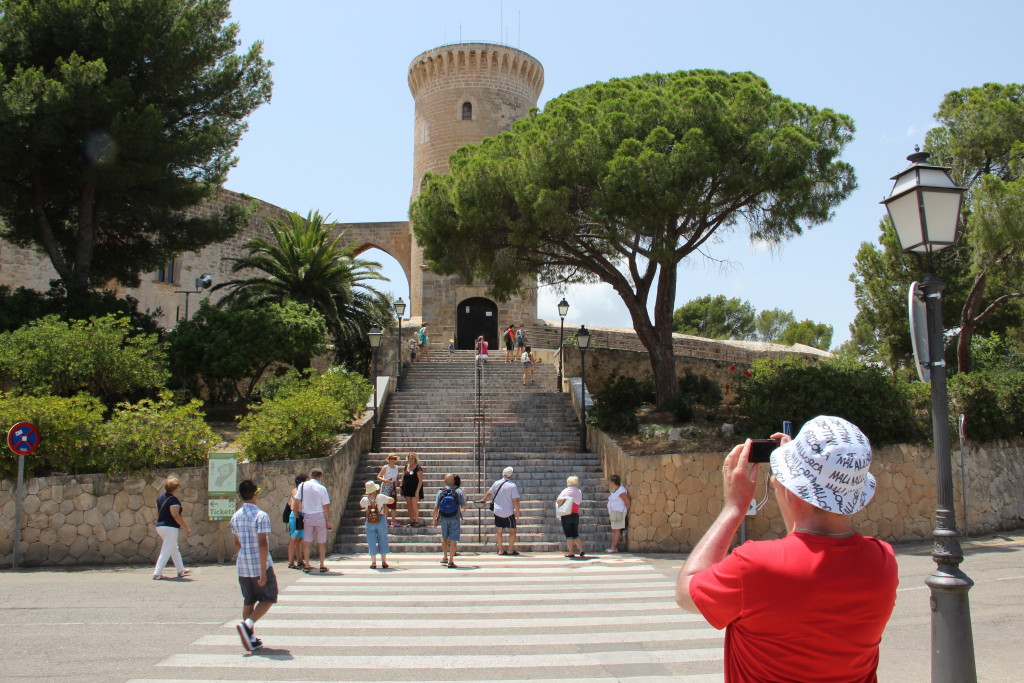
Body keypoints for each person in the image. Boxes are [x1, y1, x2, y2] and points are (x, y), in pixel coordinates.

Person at [675, 416, 899, 682]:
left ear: (790, 487)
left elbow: (686, 593)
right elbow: (809, 542)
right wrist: (790, 481)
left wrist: (734, 508)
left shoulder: (755, 565)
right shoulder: (882, 561)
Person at [230, 479, 277, 652]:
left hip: (243, 564)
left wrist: (245, 554)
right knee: (269, 597)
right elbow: (263, 543)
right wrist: (263, 570)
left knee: (249, 600)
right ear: (256, 494)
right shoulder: (261, 515)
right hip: (259, 563)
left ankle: (250, 639)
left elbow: (237, 542)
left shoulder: (235, 516)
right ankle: (248, 625)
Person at [295, 467, 332, 573]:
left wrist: (297, 514)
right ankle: (322, 564)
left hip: (307, 516)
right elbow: (325, 506)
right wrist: (328, 520)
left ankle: (306, 564)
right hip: (320, 516)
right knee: (321, 542)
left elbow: (297, 501)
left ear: (311, 475)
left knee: (307, 542)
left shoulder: (302, 486)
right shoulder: (322, 488)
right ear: (320, 476)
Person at [153, 476, 191, 579]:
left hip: (160, 526)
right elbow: (175, 515)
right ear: (176, 488)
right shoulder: (173, 500)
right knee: (166, 549)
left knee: (174, 548)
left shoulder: (160, 498)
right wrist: (185, 527)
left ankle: (180, 570)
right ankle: (157, 573)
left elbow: (157, 513)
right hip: (170, 527)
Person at [478, 466, 521, 555]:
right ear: (511, 475)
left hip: (497, 511)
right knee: (512, 530)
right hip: (508, 511)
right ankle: (510, 549)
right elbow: (516, 499)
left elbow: (489, 493)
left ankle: (500, 550)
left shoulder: (497, 483)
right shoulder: (512, 485)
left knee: (499, 531)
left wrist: (484, 499)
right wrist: (517, 511)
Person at [433, 473, 467, 567]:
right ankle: (451, 560)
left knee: (444, 537)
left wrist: (434, 519)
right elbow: (463, 506)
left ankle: (445, 557)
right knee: (453, 539)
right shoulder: (458, 491)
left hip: (443, 517)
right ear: (453, 481)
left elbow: (436, 507)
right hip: (455, 517)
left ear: (445, 481)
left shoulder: (441, 492)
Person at [360, 481, 393, 569]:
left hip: (370, 520)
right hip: (380, 518)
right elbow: (391, 500)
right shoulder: (380, 497)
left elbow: (361, 505)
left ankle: (373, 562)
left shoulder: (364, 499)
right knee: (383, 539)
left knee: (371, 540)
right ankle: (384, 561)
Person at [556, 475, 584, 558]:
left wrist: (565, 499)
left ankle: (571, 552)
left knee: (569, 534)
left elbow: (558, 501)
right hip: (575, 514)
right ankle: (581, 550)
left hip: (566, 514)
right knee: (575, 533)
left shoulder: (566, 490)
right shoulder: (579, 491)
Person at [286, 474, 308, 570]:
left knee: (299, 539)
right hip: (296, 517)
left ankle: (299, 560)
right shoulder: (296, 491)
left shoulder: (301, 491)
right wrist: (296, 517)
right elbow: (295, 504)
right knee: (294, 539)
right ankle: (290, 562)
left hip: (301, 516)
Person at [606, 474, 630, 553]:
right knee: (615, 530)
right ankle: (613, 547)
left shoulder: (621, 491)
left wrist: (625, 512)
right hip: (614, 513)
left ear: (613, 482)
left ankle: (613, 547)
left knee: (617, 531)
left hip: (618, 513)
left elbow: (627, 502)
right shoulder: (616, 490)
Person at [400, 452, 424, 526]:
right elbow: (403, 476)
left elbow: (420, 480)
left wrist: (417, 491)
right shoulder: (406, 467)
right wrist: (401, 485)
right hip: (407, 488)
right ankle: (411, 520)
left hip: (415, 489)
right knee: (409, 505)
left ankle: (416, 520)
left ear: (415, 459)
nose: (411, 460)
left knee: (414, 505)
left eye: (412, 458)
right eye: (409, 458)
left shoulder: (418, 468)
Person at [377, 454, 401, 526]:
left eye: (394, 459)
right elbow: (378, 476)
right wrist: (385, 480)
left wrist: (398, 483)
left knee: (393, 503)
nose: (392, 460)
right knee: (386, 504)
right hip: (386, 486)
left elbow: (397, 478)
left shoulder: (396, 467)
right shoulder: (385, 467)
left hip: (393, 486)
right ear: (389, 460)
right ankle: (385, 520)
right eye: (391, 458)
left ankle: (393, 520)